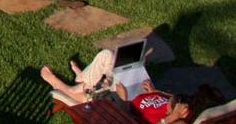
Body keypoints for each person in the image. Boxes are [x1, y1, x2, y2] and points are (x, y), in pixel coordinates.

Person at [41, 53, 192, 123]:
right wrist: (155, 92)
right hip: (134, 89)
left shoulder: (165, 119)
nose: (169, 101)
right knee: (108, 55)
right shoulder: (173, 103)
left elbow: (128, 119)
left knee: (88, 95)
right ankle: (83, 80)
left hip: (122, 102)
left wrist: (124, 99)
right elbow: (171, 99)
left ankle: (64, 85)